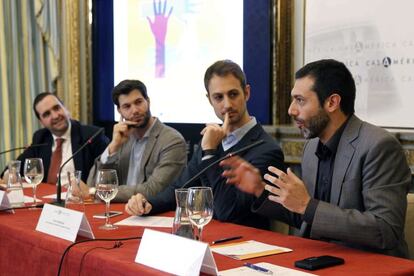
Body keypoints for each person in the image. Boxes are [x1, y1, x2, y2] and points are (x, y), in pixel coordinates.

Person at [220, 59, 411, 258]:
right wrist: (260, 189)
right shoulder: (312, 146)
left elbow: (385, 230)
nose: (291, 110)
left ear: (332, 102)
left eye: (300, 100)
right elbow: (306, 215)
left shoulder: (379, 146)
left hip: (368, 265)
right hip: (317, 259)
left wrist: (306, 206)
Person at [125, 60, 285, 229]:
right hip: (208, 238)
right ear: (209, 100)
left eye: (233, 94)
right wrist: (147, 204)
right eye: (218, 97)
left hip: (247, 245)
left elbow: (227, 211)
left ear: (246, 93)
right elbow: (180, 188)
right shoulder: (212, 139)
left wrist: (209, 153)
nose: (227, 105)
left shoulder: (267, 150)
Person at [87, 79, 187, 202]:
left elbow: (153, 190)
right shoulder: (123, 138)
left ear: (148, 101)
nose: (134, 110)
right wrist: (113, 146)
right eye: (127, 106)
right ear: (119, 111)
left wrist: (97, 192)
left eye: (138, 102)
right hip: (119, 210)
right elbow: (92, 183)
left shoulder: (172, 140)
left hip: (151, 214)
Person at [1, 92, 109, 183]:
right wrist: (10, 174)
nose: (55, 116)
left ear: (64, 108)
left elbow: (107, 175)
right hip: (46, 203)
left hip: (78, 201)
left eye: (57, 108)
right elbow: (16, 166)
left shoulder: (92, 135)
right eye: (47, 114)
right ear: (41, 121)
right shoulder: (40, 137)